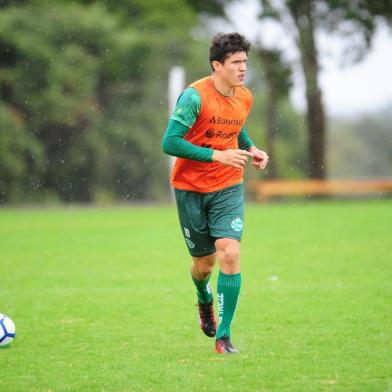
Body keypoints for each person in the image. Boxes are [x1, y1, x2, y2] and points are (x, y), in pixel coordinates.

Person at [161, 32, 269, 354]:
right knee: (204, 265)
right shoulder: (194, 97)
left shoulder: (244, 96)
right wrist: (216, 154)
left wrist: (251, 148)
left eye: (245, 62)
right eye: (236, 63)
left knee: (230, 253)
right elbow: (170, 142)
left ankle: (223, 337)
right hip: (190, 189)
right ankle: (203, 296)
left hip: (228, 185)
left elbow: (235, 126)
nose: (242, 69)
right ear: (216, 65)